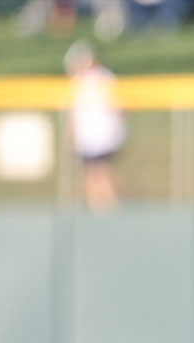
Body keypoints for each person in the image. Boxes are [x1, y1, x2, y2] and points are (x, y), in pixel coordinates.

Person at [64, 41, 126, 214]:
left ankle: (109, 212)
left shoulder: (103, 78)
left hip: (103, 136)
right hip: (89, 137)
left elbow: (119, 106)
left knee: (101, 174)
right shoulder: (82, 80)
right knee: (91, 176)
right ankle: (99, 212)